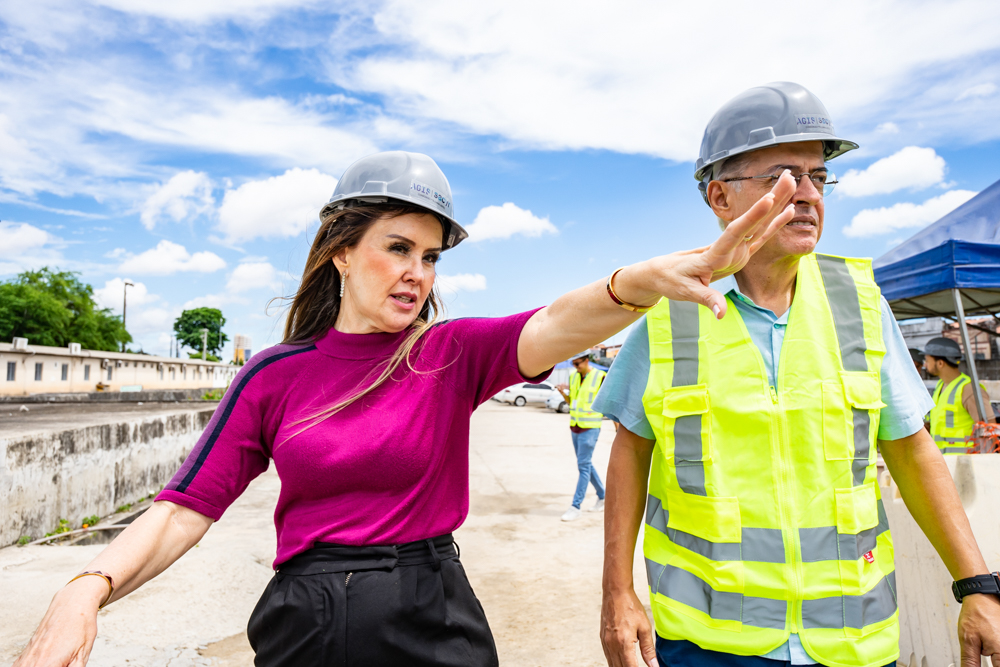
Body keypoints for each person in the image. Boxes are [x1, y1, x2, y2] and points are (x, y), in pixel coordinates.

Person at [14, 149, 798, 667]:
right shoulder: (273, 376)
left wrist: (632, 284)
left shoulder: (448, 354)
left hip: (433, 614)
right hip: (308, 625)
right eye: (397, 247)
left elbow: (558, 321)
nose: (416, 272)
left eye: (429, 256)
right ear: (341, 251)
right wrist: (88, 585)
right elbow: (184, 509)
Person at [596, 82, 1000, 667]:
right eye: (784, 176)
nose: (808, 193)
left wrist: (976, 584)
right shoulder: (668, 312)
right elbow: (631, 450)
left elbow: (912, 451)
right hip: (711, 643)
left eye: (818, 176)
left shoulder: (860, 303)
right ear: (720, 197)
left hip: (852, 641)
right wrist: (617, 593)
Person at [557, 352, 608, 521]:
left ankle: (576, 506)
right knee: (585, 464)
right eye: (573, 364)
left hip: (590, 427)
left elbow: (609, 400)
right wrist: (563, 393)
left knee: (583, 465)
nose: (575, 367)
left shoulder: (600, 376)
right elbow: (572, 401)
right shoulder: (574, 376)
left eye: (577, 363)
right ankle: (603, 496)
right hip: (575, 426)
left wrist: (618, 424)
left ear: (587, 361)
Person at [924, 336, 996, 453]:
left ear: (940, 363)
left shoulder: (968, 389)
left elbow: (990, 429)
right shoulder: (940, 386)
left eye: (927, 361)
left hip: (964, 461)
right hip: (944, 459)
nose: (925, 365)